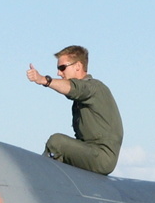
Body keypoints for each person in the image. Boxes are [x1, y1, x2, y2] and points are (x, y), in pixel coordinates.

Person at [25, 45, 123, 175]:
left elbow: (75, 88)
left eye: (62, 68)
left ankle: (36, 177)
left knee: (57, 143)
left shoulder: (94, 88)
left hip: (101, 157)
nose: (59, 73)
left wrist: (44, 80)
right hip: (90, 151)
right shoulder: (81, 99)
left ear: (78, 66)